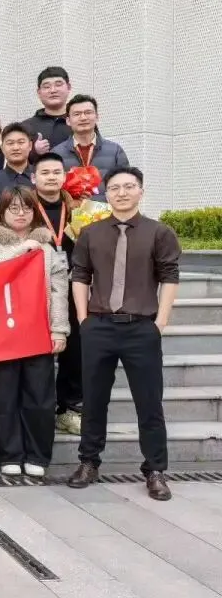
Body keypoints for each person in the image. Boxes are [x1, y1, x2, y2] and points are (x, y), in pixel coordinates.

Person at [67, 167, 180, 501]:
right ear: (107, 194)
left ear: (140, 191)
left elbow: (169, 277)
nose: (122, 193)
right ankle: (89, 462)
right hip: (99, 326)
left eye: (129, 186)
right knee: (93, 399)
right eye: (115, 188)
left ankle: (155, 470)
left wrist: (160, 322)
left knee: (149, 402)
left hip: (141, 328)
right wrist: (84, 319)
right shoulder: (90, 233)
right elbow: (80, 275)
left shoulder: (159, 232)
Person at [0, 186, 70, 477]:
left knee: (40, 396)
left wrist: (59, 329)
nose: (21, 214)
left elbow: (58, 291)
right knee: (1, 395)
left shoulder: (48, 247)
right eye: (14, 208)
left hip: (38, 330)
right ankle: (7, 453)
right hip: (2, 332)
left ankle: (37, 454)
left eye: (27, 208)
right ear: (2, 212)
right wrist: (22, 249)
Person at [32, 152, 82, 434]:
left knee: (75, 348)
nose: (51, 177)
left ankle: (69, 407)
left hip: (75, 286)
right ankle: (39, 408)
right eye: (45, 172)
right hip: (37, 286)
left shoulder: (79, 207)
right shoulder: (25, 207)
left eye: (56, 172)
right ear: (33, 178)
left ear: (64, 176)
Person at [52, 95, 129, 199]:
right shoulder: (56, 153)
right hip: (70, 209)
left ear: (97, 117)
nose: (83, 118)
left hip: (106, 209)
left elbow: (126, 185)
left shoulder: (115, 151)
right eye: (77, 114)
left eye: (88, 112)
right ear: (68, 121)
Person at [21, 66, 72, 161]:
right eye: (47, 87)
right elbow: (15, 160)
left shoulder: (80, 122)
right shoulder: (26, 126)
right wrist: (34, 151)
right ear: (39, 92)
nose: (53, 90)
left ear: (68, 87)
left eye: (58, 85)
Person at [0, 122, 37, 205]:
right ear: (2, 148)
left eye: (21, 142)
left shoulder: (40, 175)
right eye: (10, 143)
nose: (16, 148)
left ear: (30, 146)